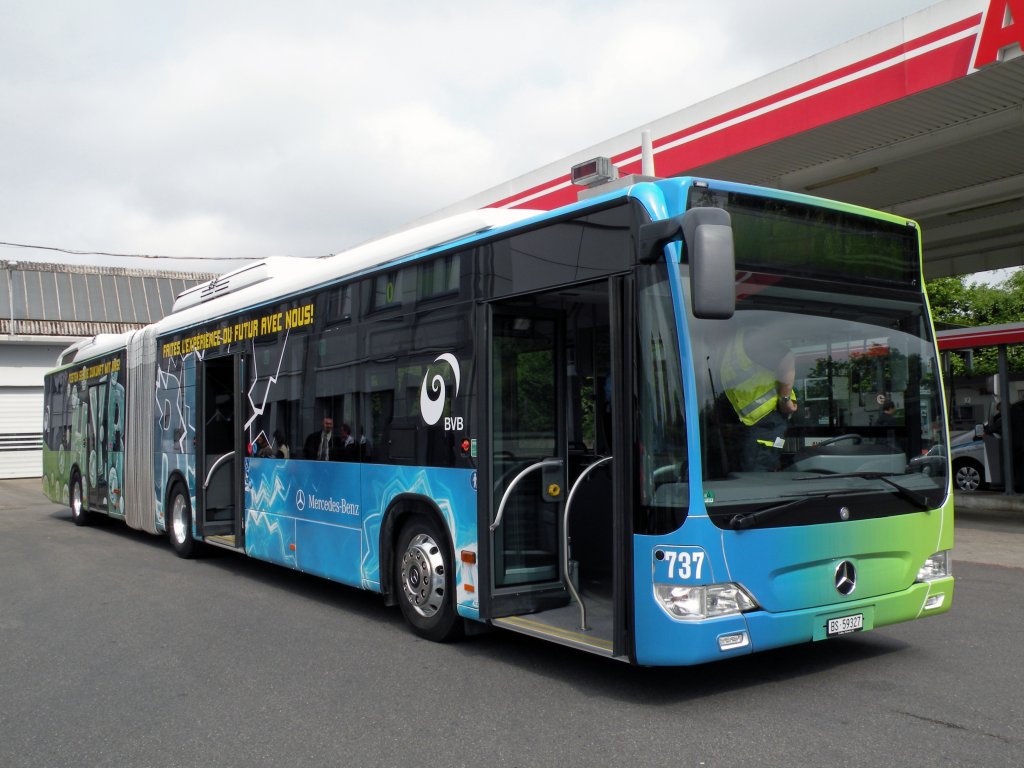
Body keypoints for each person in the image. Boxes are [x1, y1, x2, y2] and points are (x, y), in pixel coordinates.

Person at [719, 325, 798, 471]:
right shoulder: (727, 349)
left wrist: (785, 399)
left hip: (769, 422)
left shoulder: (749, 340)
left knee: (758, 474)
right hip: (760, 425)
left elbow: (786, 358)